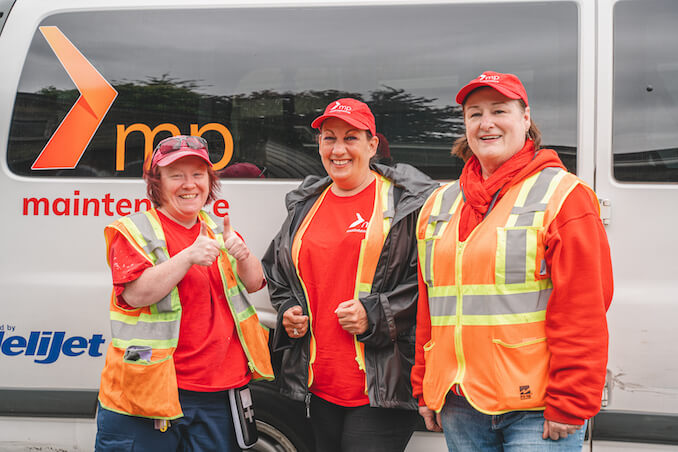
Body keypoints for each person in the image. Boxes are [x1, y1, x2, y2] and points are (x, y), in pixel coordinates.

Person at [412, 71, 613, 451]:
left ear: (525, 118)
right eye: (475, 114)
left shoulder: (563, 196)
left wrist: (571, 400)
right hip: (460, 402)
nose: (486, 123)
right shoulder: (439, 204)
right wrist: (426, 385)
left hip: (537, 409)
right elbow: (430, 310)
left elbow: (584, 310)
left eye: (499, 110)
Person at [262, 98, 438, 452]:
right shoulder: (306, 204)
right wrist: (288, 311)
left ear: (372, 145)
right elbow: (278, 272)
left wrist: (375, 313)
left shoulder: (405, 204)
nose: (338, 150)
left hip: (381, 389)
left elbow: (430, 283)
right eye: (329, 138)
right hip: (316, 386)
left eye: (351, 138)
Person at [95, 135, 273, 451]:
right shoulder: (134, 231)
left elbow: (254, 282)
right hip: (151, 390)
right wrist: (188, 256)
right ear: (157, 183)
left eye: (198, 174)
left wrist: (243, 255)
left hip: (220, 390)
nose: (189, 184)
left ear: (209, 181)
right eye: (176, 175)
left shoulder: (217, 229)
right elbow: (136, 295)